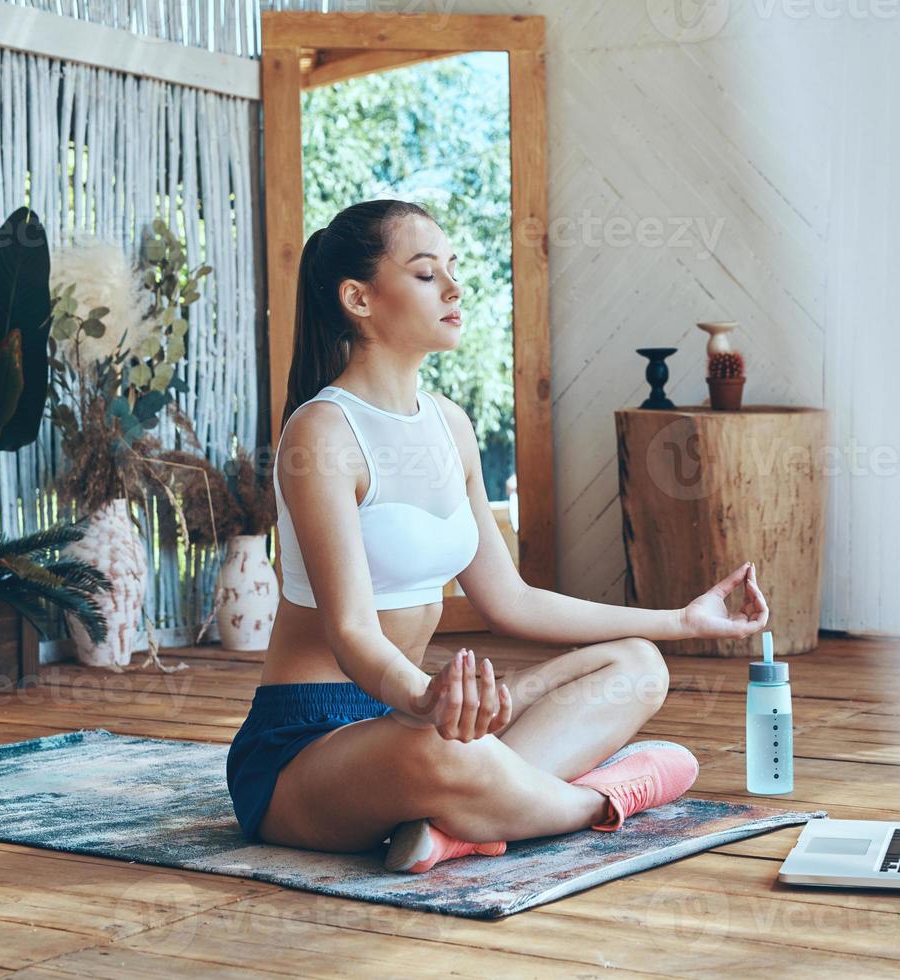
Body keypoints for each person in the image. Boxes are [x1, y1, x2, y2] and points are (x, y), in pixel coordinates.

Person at [225, 199, 770, 873]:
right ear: (358, 299)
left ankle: (456, 826)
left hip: (419, 719)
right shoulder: (323, 433)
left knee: (634, 667)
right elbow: (353, 634)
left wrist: (683, 620)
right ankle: (593, 802)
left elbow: (510, 600)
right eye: (426, 274)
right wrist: (427, 700)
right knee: (438, 749)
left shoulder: (449, 425)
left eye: (453, 269)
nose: (454, 288)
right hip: (308, 746)